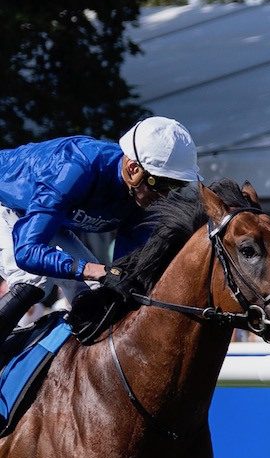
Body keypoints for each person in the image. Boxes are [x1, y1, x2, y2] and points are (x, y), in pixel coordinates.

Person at [0, 115, 201, 335]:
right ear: (133, 169)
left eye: (176, 185)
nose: (165, 196)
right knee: (32, 281)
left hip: (36, 215)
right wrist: (96, 270)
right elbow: (27, 252)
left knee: (94, 293)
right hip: (7, 203)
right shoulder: (75, 167)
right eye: (160, 183)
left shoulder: (143, 198)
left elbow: (125, 269)